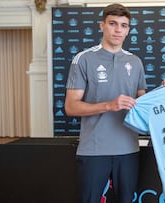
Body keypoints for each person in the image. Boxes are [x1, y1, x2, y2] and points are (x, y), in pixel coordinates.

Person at [64, 3, 147, 203]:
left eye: (124, 25)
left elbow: (143, 105)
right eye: (113, 23)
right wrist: (109, 105)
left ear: (128, 30)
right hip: (94, 150)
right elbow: (71, 106)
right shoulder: (83, 59)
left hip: (128, 149)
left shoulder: (135, 62)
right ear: (102, 26)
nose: (118, 29)